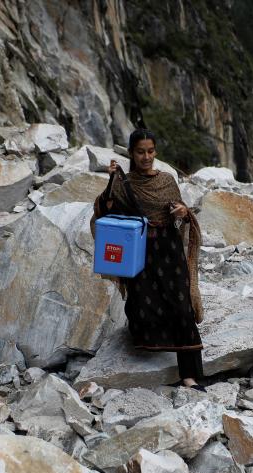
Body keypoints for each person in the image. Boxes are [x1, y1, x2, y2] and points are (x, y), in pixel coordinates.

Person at [91, 128, 206, 390]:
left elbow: (180, 211)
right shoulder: (123, 182)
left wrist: (182, 211)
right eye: (141, 152)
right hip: (139, 252)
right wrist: (111, 181)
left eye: (151, 151)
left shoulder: (166, 181)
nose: (146, 156)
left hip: (168, 250)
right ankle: (147, 353)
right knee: (142, 304)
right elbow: (105, 211)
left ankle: (190, 375)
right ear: (131, 153)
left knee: (181, 307)